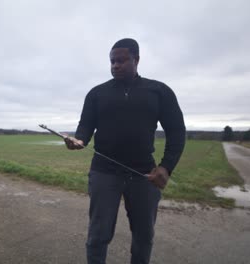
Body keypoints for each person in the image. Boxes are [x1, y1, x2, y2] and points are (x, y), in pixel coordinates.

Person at [64, 38, 186, 264]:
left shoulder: (159, 91)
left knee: (144, 236)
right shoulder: (96, 93)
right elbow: (85, 127)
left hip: (144, 175)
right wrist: (78, 140)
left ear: (136, 60)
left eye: (121, 60)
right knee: (98, 235)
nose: (115, 65)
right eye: (112, 61)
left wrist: (166, 167)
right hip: (104, 173)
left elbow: (177, 131)